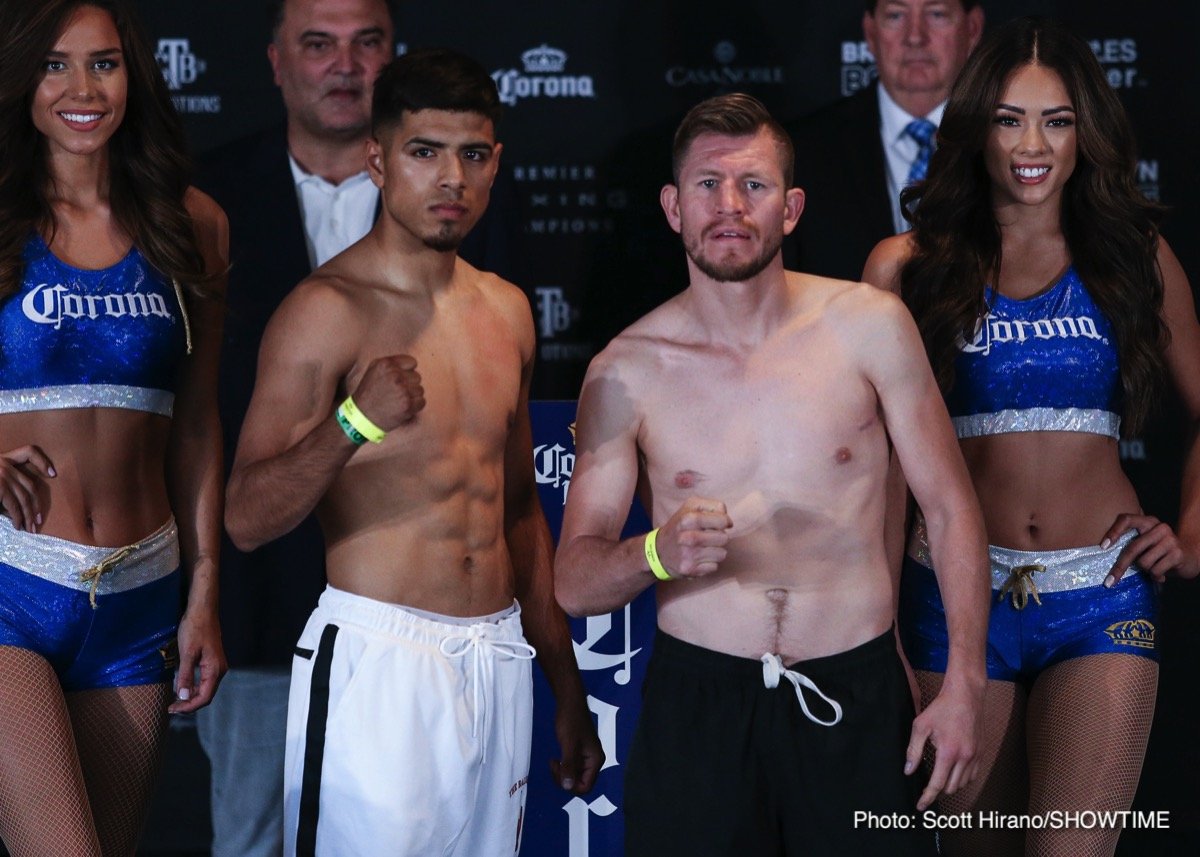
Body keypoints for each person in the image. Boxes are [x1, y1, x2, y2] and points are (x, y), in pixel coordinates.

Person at [555, 92, 988, 856]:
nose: (729, 205)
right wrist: (657, 551)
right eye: (707, 185)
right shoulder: (625, 371)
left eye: (752, 185)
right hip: (701, 708)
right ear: (672, 207)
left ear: (789, 208)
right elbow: (574, 581)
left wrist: (964, 686)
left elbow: (950, 509)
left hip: (854, 694)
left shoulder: (868, 327)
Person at [224, 47, 602, 857]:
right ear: (378, 159)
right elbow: (248, 517)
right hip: (379, 660)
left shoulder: (506, 310)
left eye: (472, 155)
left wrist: (565, 683)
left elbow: (520, 514)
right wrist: (356, 421)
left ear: (496, 162)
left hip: (499, 658)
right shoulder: (325, 310)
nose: (451, 179)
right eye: (424, 153)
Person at [862, 17, 1200, 856]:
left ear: (1087, 131)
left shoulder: (1136, 257)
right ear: (976, 125)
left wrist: (1190, 540)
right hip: (951, 603)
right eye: (1010, 118)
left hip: (1102, 597)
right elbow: (876, 471)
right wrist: (885, 632)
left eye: (1057, 119)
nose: (1032, 144)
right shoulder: (904, 266)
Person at [0, 1, 227, 855]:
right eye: (56, 65)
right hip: (9, 584)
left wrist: (203, 595)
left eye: (104, 63)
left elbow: (200, 425)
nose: (82, 88)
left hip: (140, 596)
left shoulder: (192, 225)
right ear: (23, 78)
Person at [784, 0, 983, 280]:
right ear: (870, 31)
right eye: (896, 15)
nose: (915, 37)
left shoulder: (1005, 141)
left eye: (936, 14)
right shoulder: (801, 151)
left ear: (972, 28)